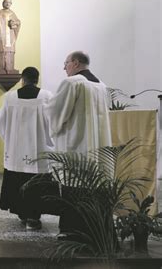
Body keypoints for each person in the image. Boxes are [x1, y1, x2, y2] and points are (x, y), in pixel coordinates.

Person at [46, 51, 112, 238]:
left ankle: (72, 231)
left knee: (75, 184)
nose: (64, 67)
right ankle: (94, 230)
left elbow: (57, 113)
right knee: (93, 184)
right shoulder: (100, 85)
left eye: (66, 63)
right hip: (98, 149)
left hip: (77, 145)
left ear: (75, 63)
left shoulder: (71, 83)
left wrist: (45, 109)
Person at [0, 67, 53, 230]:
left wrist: (10, 140)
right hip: (39, 149)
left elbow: (0, 121)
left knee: (17, 180)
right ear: (37, 79)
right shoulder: (46, 96)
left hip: (16, 151)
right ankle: (33, 218)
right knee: (36, 183)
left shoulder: (10, 97)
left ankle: (21, 213)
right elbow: (53, 122)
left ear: (23, 79)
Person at [0, 0, 21, 74]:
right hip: (2, 36)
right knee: (2, 50)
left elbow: (18, 22)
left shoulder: (12, 13)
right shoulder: (0, 12)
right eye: (6, 2)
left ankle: (10, 68)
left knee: (10, 51)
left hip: (11, 37)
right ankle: (2, 68)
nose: (8, 4)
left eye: (9, 3)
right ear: (3, 2)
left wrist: (14, 23)